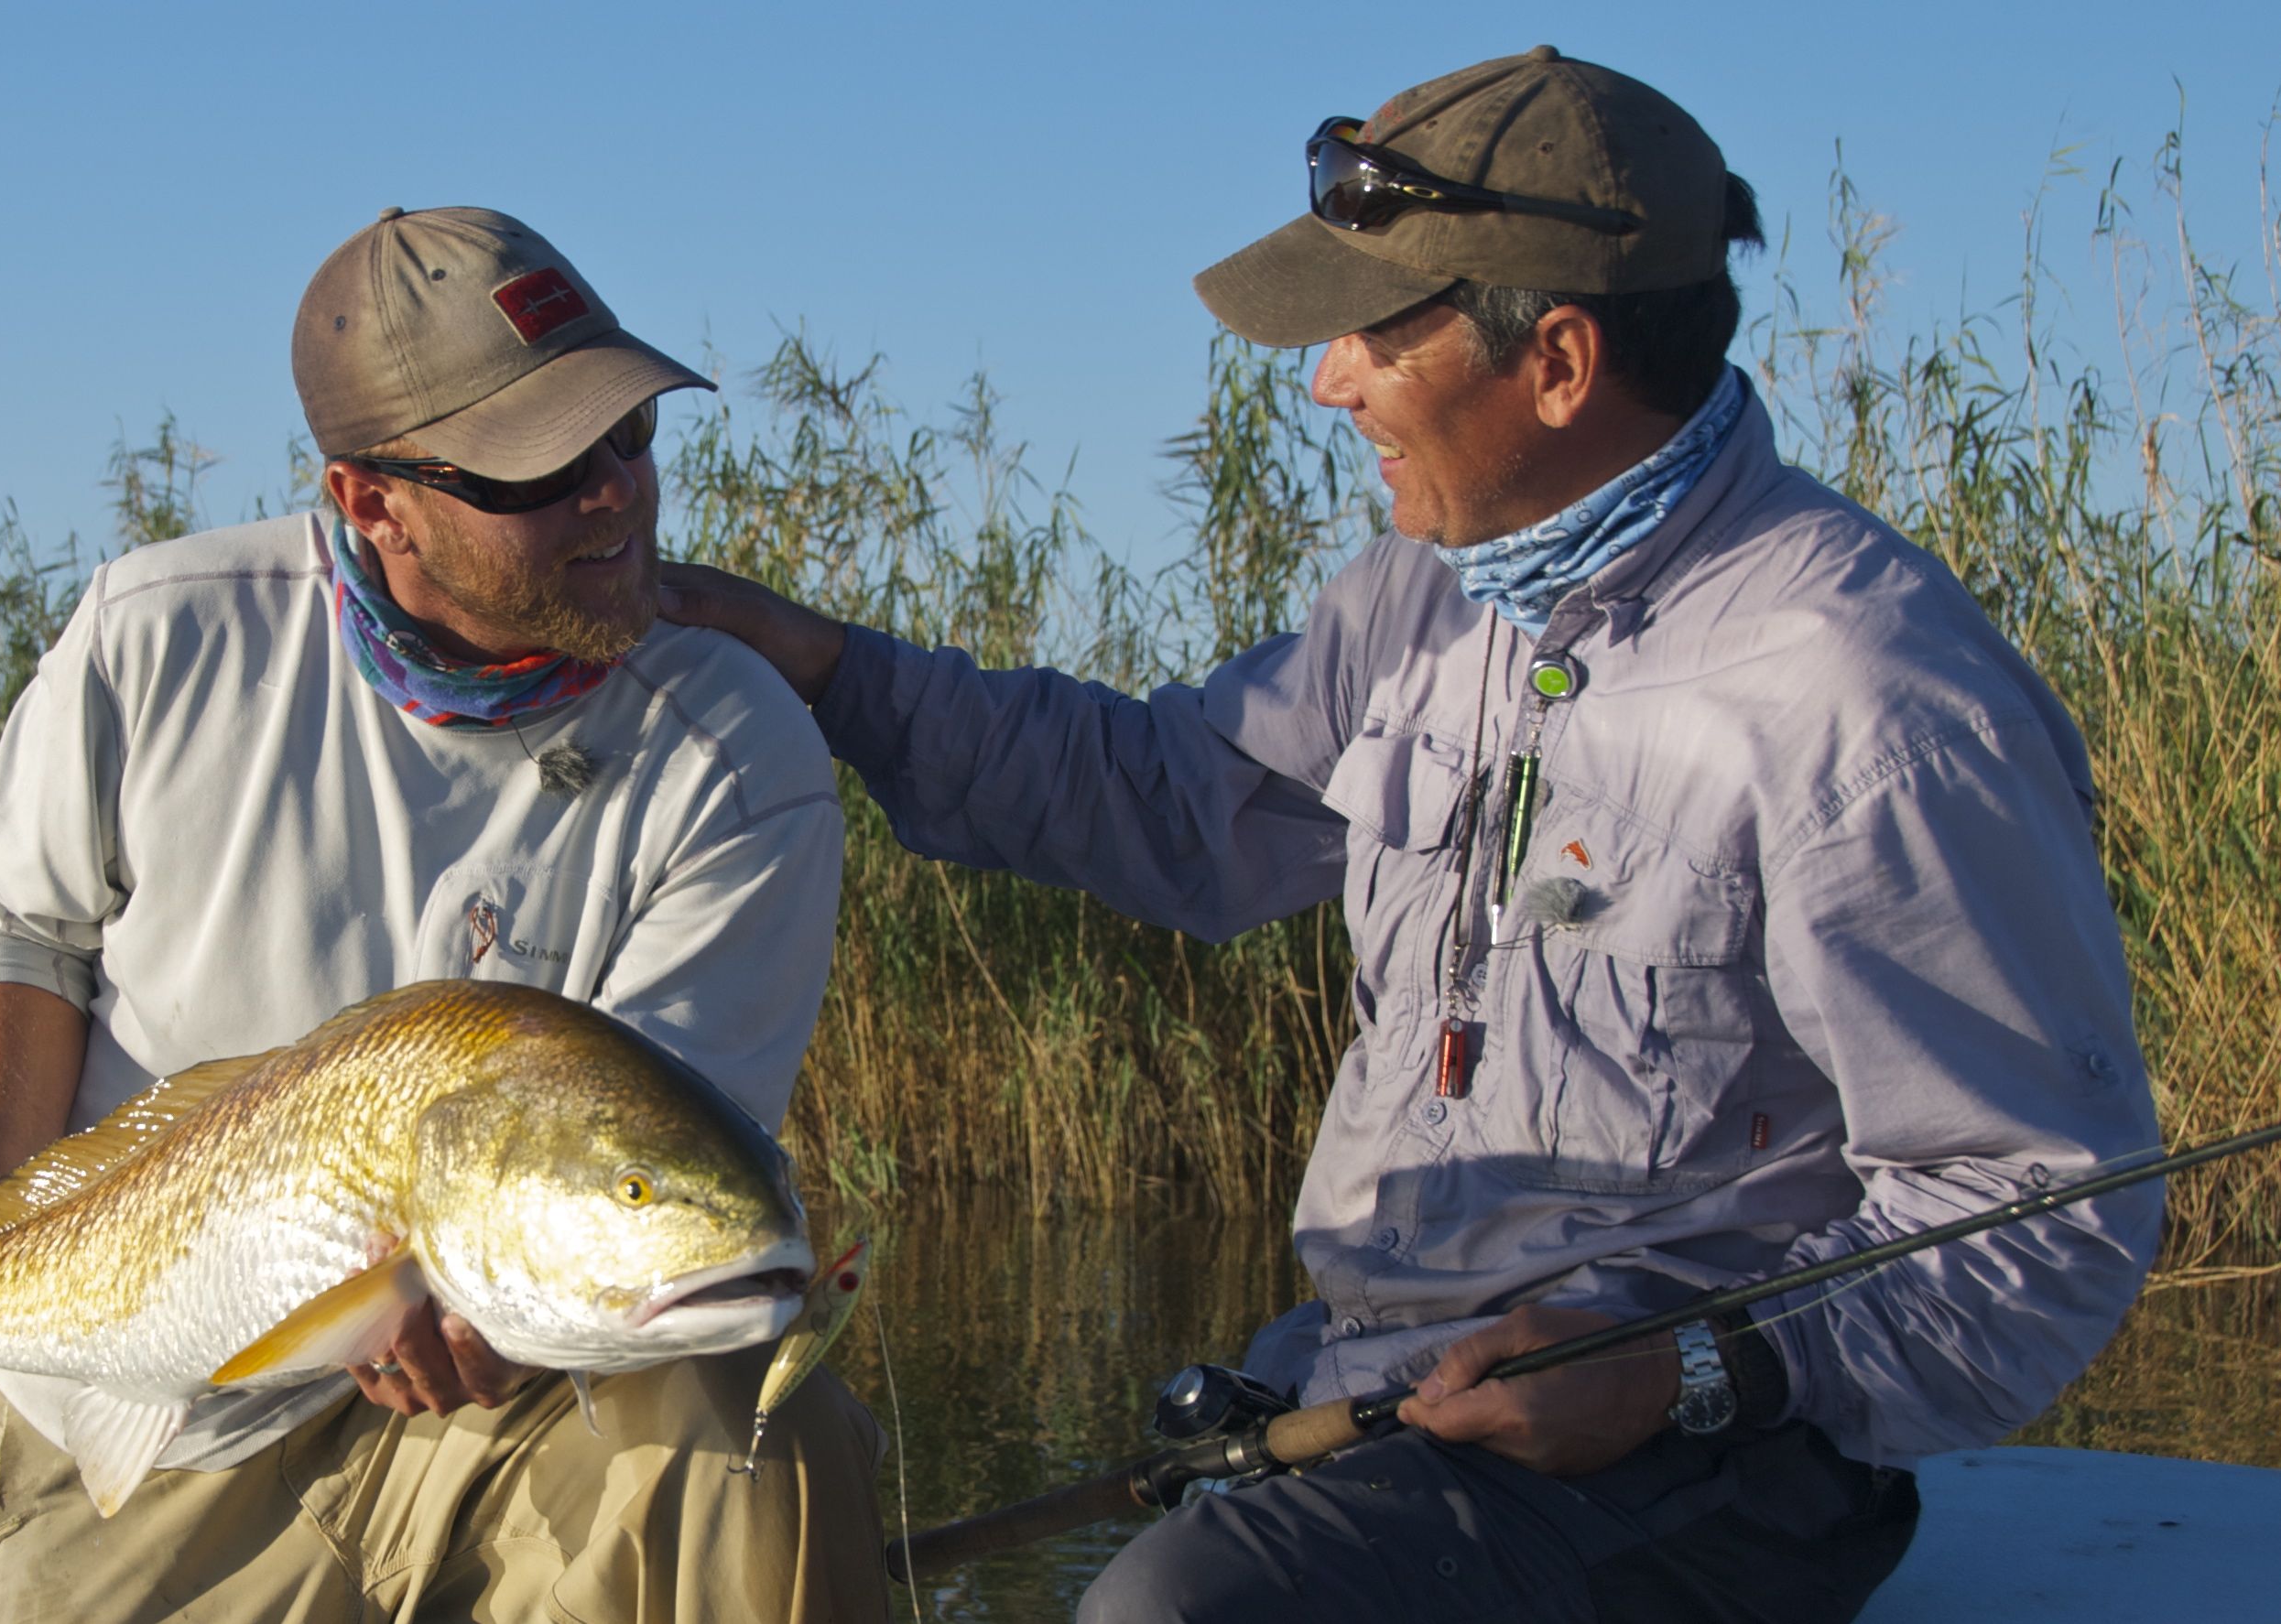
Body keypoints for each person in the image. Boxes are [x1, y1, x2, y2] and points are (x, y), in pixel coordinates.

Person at [660, 47, 2162, 1623]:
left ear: (1560, 361)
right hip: (1379, 1392)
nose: (1327, 382)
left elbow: (2041, 1215)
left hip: (1726, 1471)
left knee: (1171, 1613)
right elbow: (1179, 803)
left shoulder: (1866, 701)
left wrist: (1687, 1374)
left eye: (1377, 333)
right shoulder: (1423, 599)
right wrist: (832, 671)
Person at [0, 204, 883, 1623]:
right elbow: (11, 924)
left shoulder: (736, 758)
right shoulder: (161, 637)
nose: (616, 495)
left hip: (491, 1419)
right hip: (125, 1445)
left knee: (756, 1432)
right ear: (370, 499)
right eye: (543, 469)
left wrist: (496, 1323)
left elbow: (650, 1161)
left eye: (627, 437)